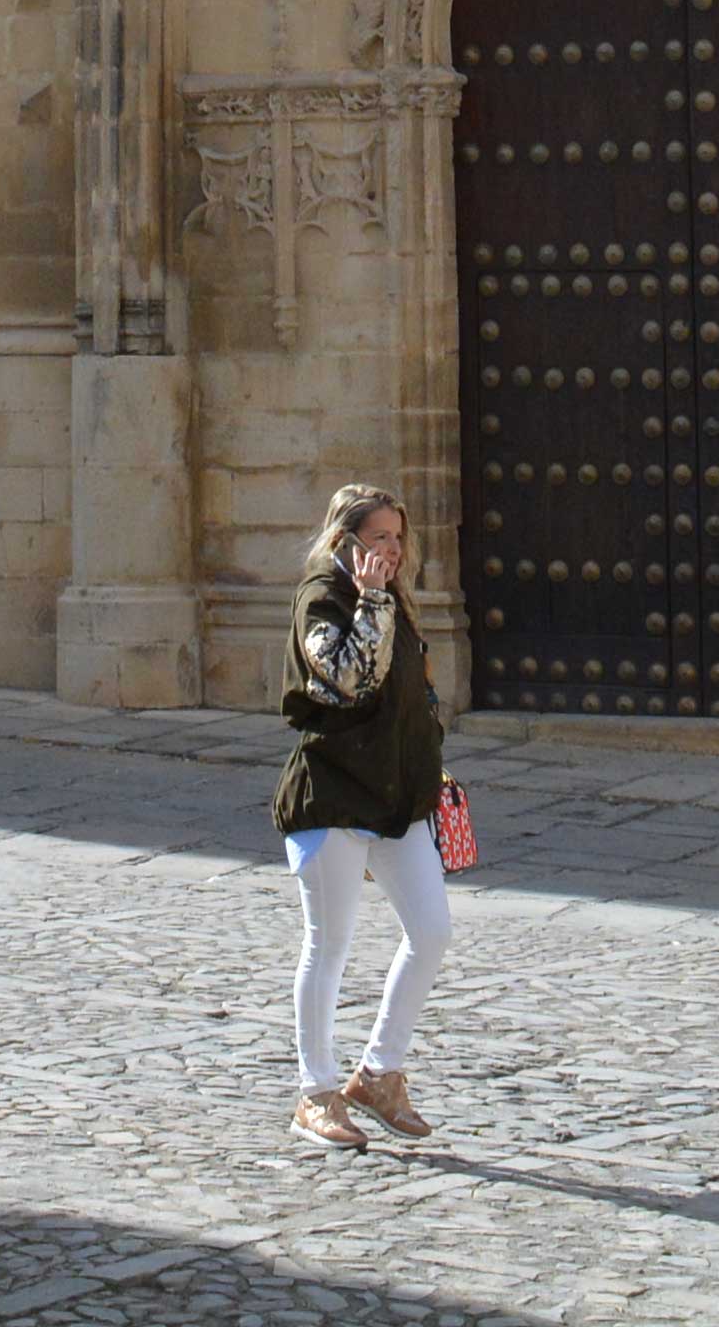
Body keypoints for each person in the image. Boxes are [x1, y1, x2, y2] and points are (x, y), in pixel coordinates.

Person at [270, 479, 449, 1149]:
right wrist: (371, 597)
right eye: (380, 539)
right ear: (347, 540)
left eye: (398, 539)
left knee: (431, 930)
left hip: (395, 795)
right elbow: (350, 678)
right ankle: (316, 1091)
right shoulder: (323, 595)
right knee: (329, 944)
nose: (393, 551)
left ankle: (379, 1073)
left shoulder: (391, 595)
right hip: (333, 794)